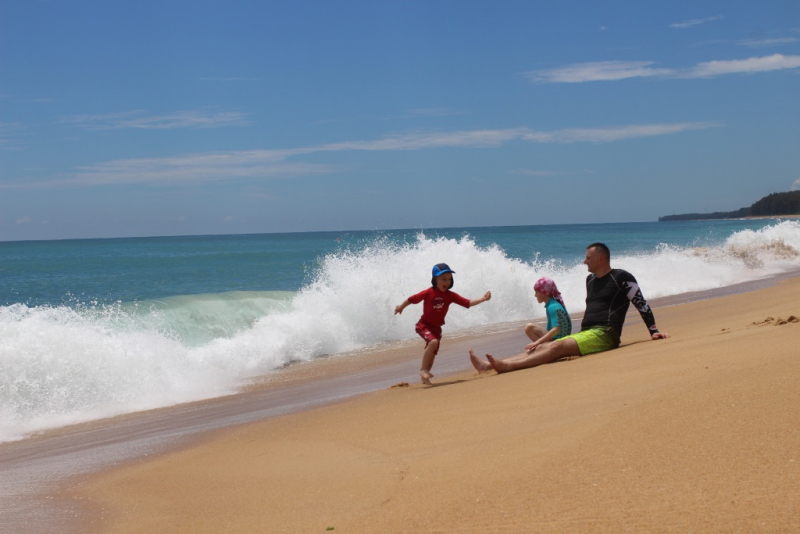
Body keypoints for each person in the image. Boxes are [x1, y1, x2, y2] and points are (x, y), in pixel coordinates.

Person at [470, 243, 669, 374]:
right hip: (587, 333)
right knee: (541, 346)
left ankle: (508, 367)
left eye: (588, 258)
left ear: (601, 259)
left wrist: (654, 331)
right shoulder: (590, 280)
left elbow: (640, 303)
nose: (584, 261)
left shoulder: (622, 277)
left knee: (556, 347)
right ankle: (488, 366)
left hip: (605, 334)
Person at [396, 263, 491, 384]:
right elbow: (411, 299)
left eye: (449, 279)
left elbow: (467, 303)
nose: (447, 282)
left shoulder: (450, 296)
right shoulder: (428, 293)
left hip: (436, 329)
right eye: (443, 279)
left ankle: (425, 377)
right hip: (423, 325)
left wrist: (482, 299)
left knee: (433, 352)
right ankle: (423, 370)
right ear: (435, 279)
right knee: (433, 342)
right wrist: (401, 307)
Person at [522, 276, 572, 353]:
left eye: (536, 292)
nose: (535, 295)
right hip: (561, 340)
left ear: (544, 292)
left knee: (529, 327)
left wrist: (537, 342)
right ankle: (542, 348)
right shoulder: (554, 304)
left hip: (558, 342)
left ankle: (543, 349)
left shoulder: (552, 306)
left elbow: (557, 329)